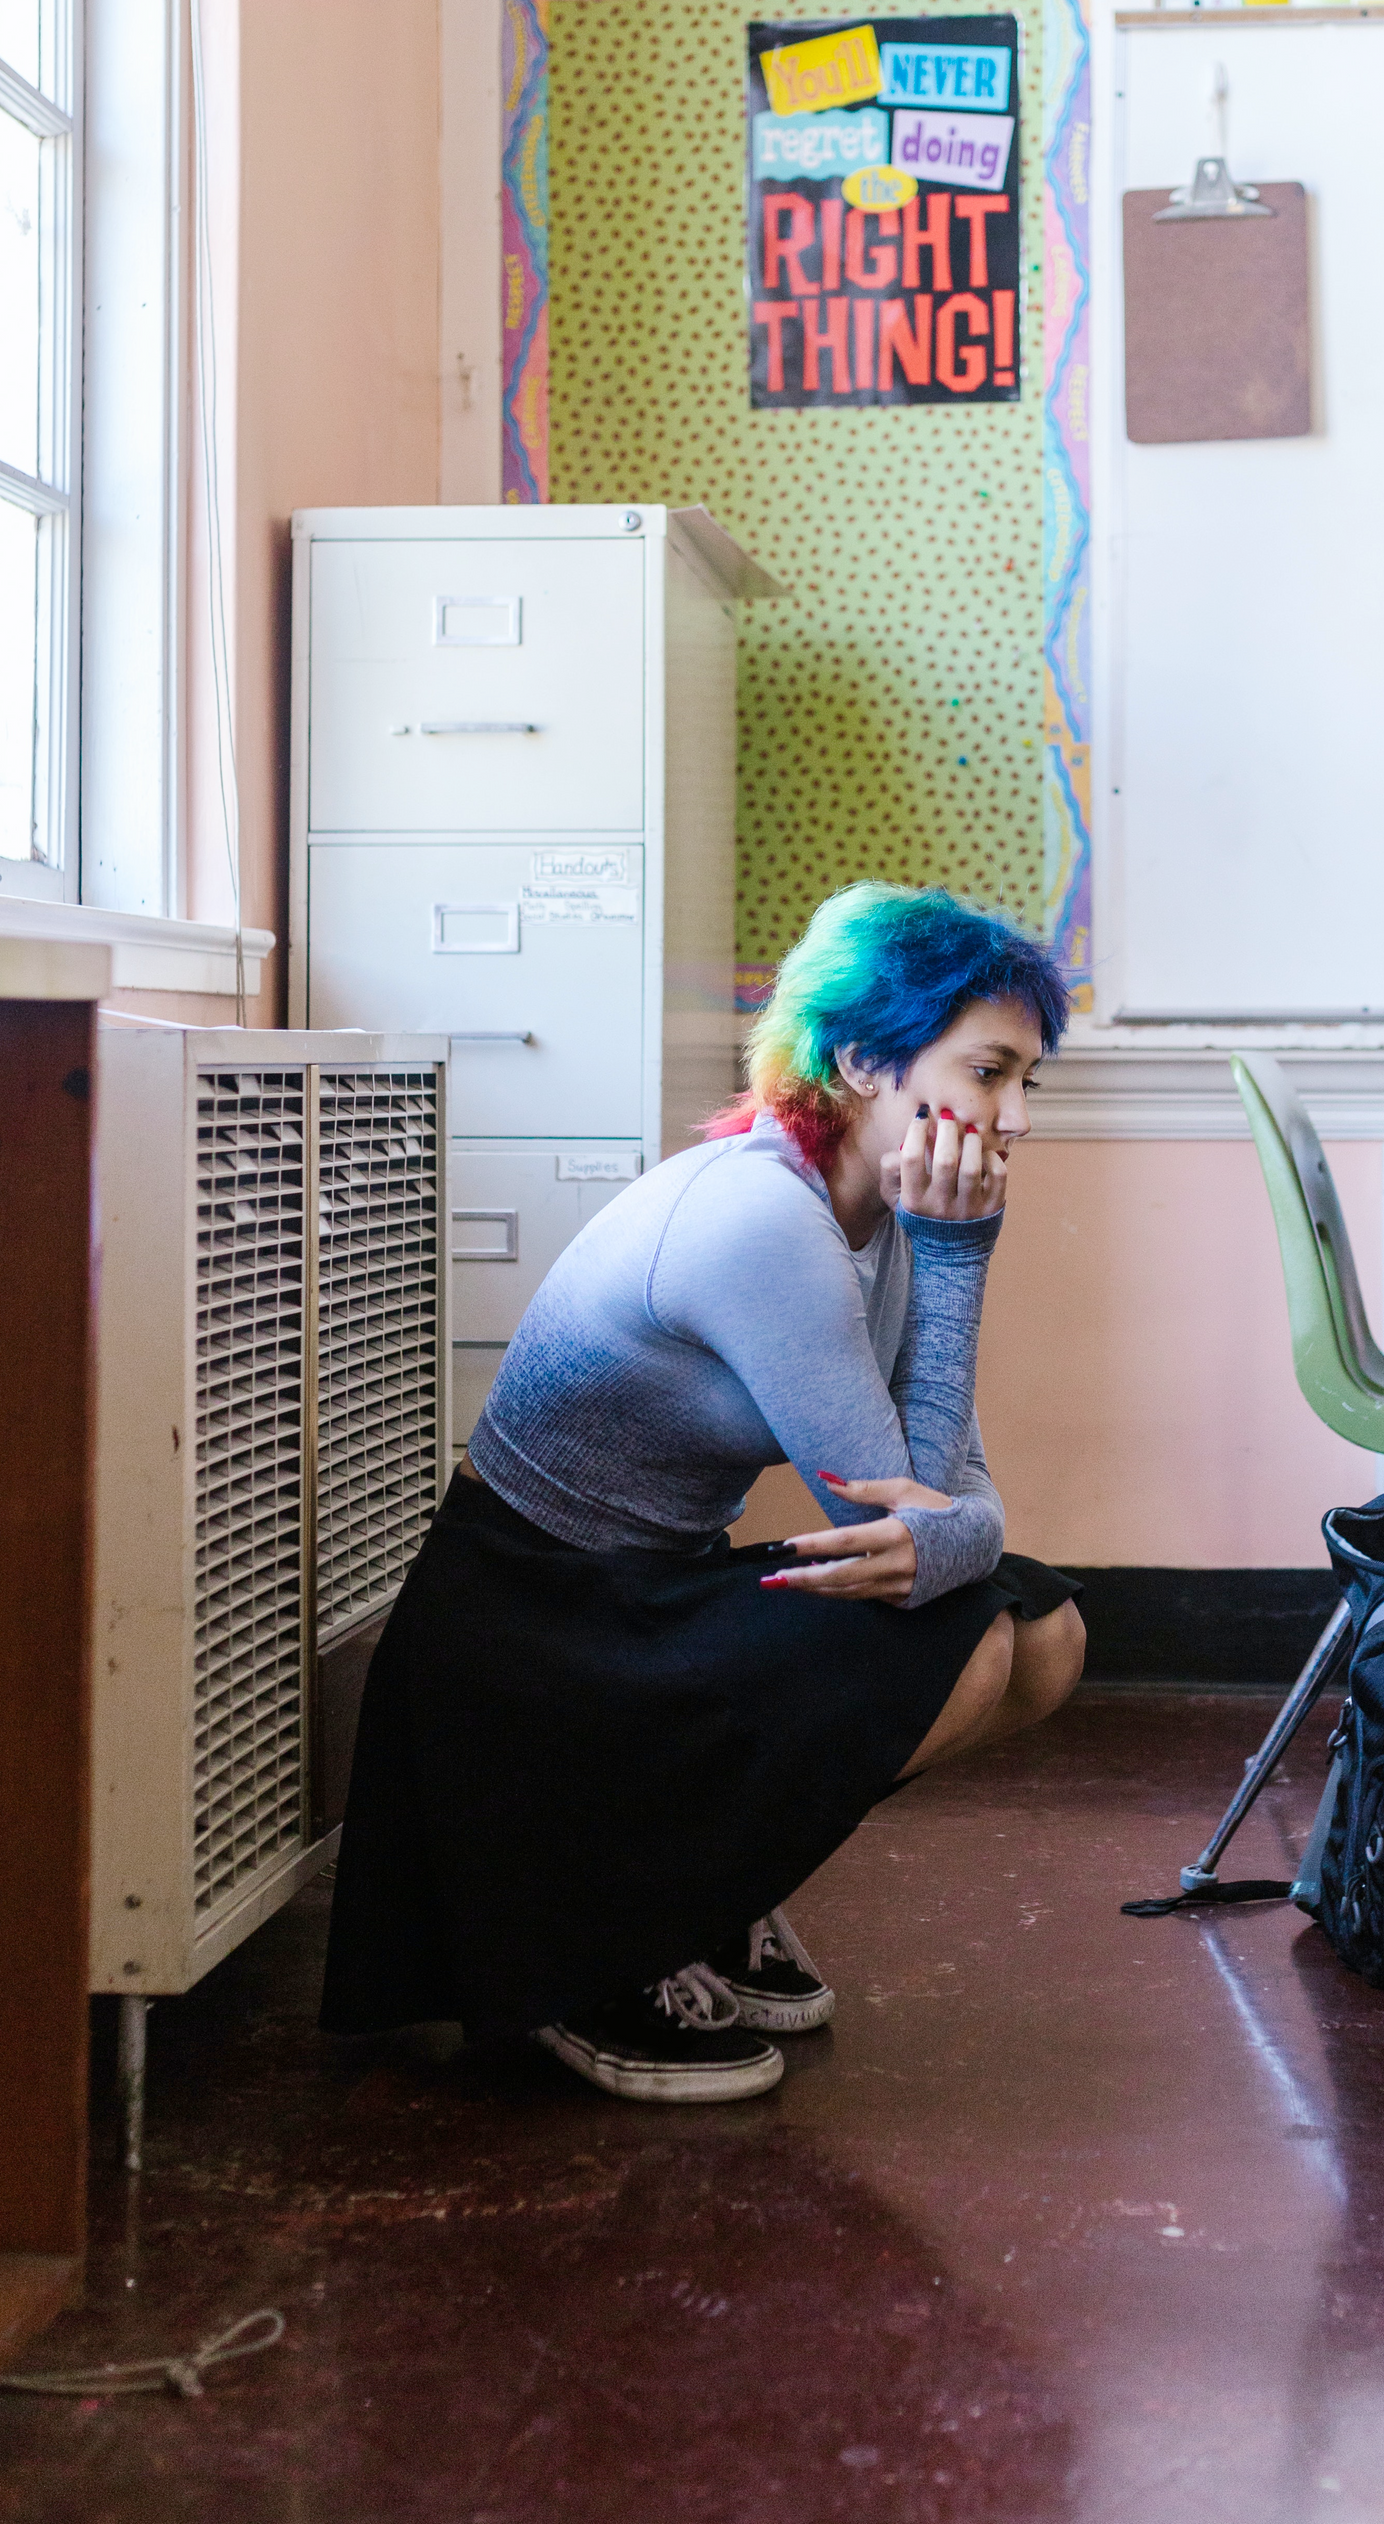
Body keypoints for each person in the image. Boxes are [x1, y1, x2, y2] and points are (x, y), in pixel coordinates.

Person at [321, 881, 1087, 2101]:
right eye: (988, 1072)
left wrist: (961, 1527)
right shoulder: (757, 1220)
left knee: (1044, 1637)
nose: (1016, 1118)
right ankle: (606, 1942)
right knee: (969, 1637)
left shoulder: (882, 1217)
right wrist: (958, 1263)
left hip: (642, 1602)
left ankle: (698, 1893)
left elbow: (947, 1501)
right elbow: (900, 1527)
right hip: (527, 1641)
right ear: (860, 1061)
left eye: (1025, 1080)